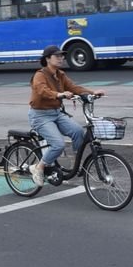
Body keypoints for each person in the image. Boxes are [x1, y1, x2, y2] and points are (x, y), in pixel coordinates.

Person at [28, 45, 104, 186]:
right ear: (47, 59)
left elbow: (74, 88)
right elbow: (41, 90)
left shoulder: (60, 74)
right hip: (40, 116)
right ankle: (39, 167)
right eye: (57, 56)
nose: (61, 58)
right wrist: (59, 94)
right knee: (58, 144)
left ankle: (76, 164)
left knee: (78, 132)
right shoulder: (40, 75)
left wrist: (92, 92)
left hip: (57, 113)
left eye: (62, 56)